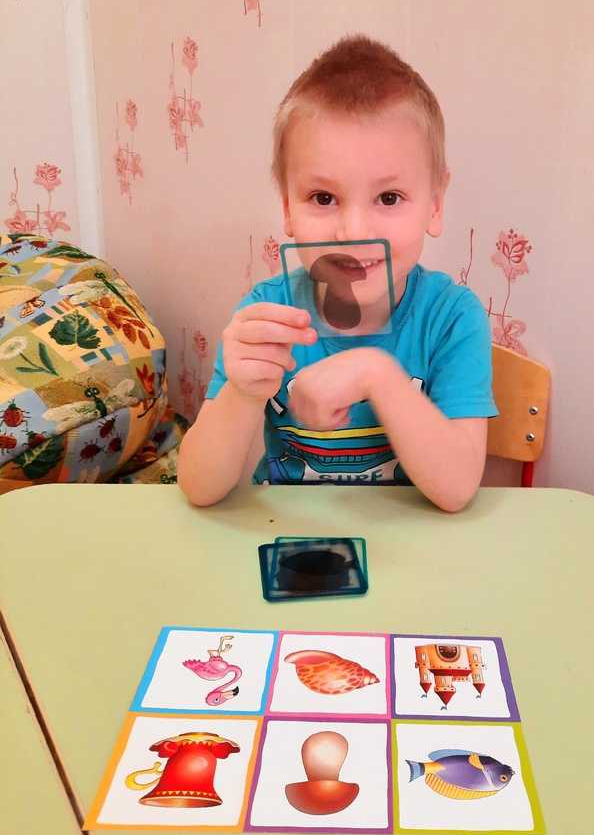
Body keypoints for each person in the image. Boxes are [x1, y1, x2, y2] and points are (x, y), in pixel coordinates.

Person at [178, 34, 496, 511]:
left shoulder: (452, 318)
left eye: (389, 198)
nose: (354, 231)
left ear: (435, 203)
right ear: (288, 208)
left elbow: (457, 489)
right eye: (323, 198)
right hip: (291, 537)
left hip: (411, 542)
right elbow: (200, 488)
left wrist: (377, 374)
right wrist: (242, 394)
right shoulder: (268, 313)